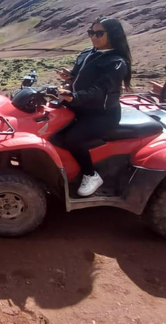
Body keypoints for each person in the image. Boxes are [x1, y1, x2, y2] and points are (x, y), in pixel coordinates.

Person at [56, 17, 132, 197]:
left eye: (99, 33)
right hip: (81, 107)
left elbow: (100, 91)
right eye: (91, 33)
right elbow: (79, 76)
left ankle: (91, 174)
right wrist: (70, 77)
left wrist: (73, 97)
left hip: (102, 115)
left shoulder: (115, 63)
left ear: (112, 35)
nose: (94, 37)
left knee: (73, 138)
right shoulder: (87, 53)